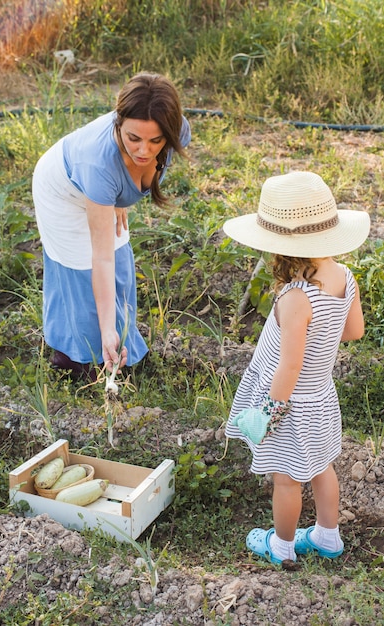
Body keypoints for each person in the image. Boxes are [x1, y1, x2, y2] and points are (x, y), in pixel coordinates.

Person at [223, 171, 370, 565]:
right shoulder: (345, 278)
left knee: (286, 480)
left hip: (290, 405)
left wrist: (272, 410)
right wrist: (321, 328)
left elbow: (289, 364)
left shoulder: (295, 297)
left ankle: (282, 547)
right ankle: (327, 537)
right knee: (322, 468)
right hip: (320, 396)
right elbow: (354, 331)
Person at [32, 72, 191, 380]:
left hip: (100, 190)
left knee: (120, 260)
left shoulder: (178, 130)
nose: (144, 151)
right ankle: (79, 359)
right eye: (134, 139)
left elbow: (143, 168)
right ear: (118, 124)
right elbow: (99, 258)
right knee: (81, 270)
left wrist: (120, 198)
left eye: (155, 141)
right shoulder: (98, 164)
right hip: (62, 189)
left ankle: (122, 344)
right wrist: (106, 329)